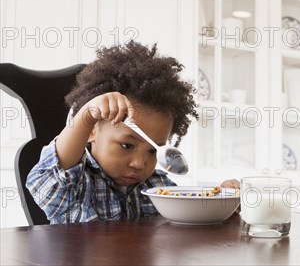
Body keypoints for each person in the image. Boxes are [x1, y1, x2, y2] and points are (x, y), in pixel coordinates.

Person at [27, 41, 238, 224]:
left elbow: (185, 221)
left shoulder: (157, 185)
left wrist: (220, 201)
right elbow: (46, 177)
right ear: (92, 131)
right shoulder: (76, 185)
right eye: (127, 145)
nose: (140, 163)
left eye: (153, 151)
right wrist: (86, 116)